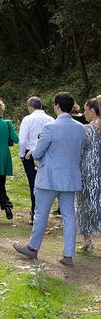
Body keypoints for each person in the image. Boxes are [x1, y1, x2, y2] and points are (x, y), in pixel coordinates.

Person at [13, 92, 87, 266]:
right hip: (70, 178)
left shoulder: (50, 127)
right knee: (69, 216)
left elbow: (38, 152)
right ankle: (68, 255)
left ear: (57, 106)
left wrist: (32, 153)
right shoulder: (80, 128)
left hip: (49, 178)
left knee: (41, 214)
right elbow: (80, 152)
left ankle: (32, 248)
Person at [18, 97, 54, 223]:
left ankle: (35, 213)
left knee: (33, 183)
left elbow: (22, 140)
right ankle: (42, 212)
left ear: (30, 106)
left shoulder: (28, 119)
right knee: (45, 184)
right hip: (46, 153)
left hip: (30, 153)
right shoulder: (50, 119)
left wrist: (22, 154)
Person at [77, 96, 101, 252]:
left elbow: (79, 150)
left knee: (85, 203)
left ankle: (88, 241)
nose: (84, 114)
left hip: (89, 170)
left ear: (92, 111)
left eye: (85, 111)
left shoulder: (88, 129)